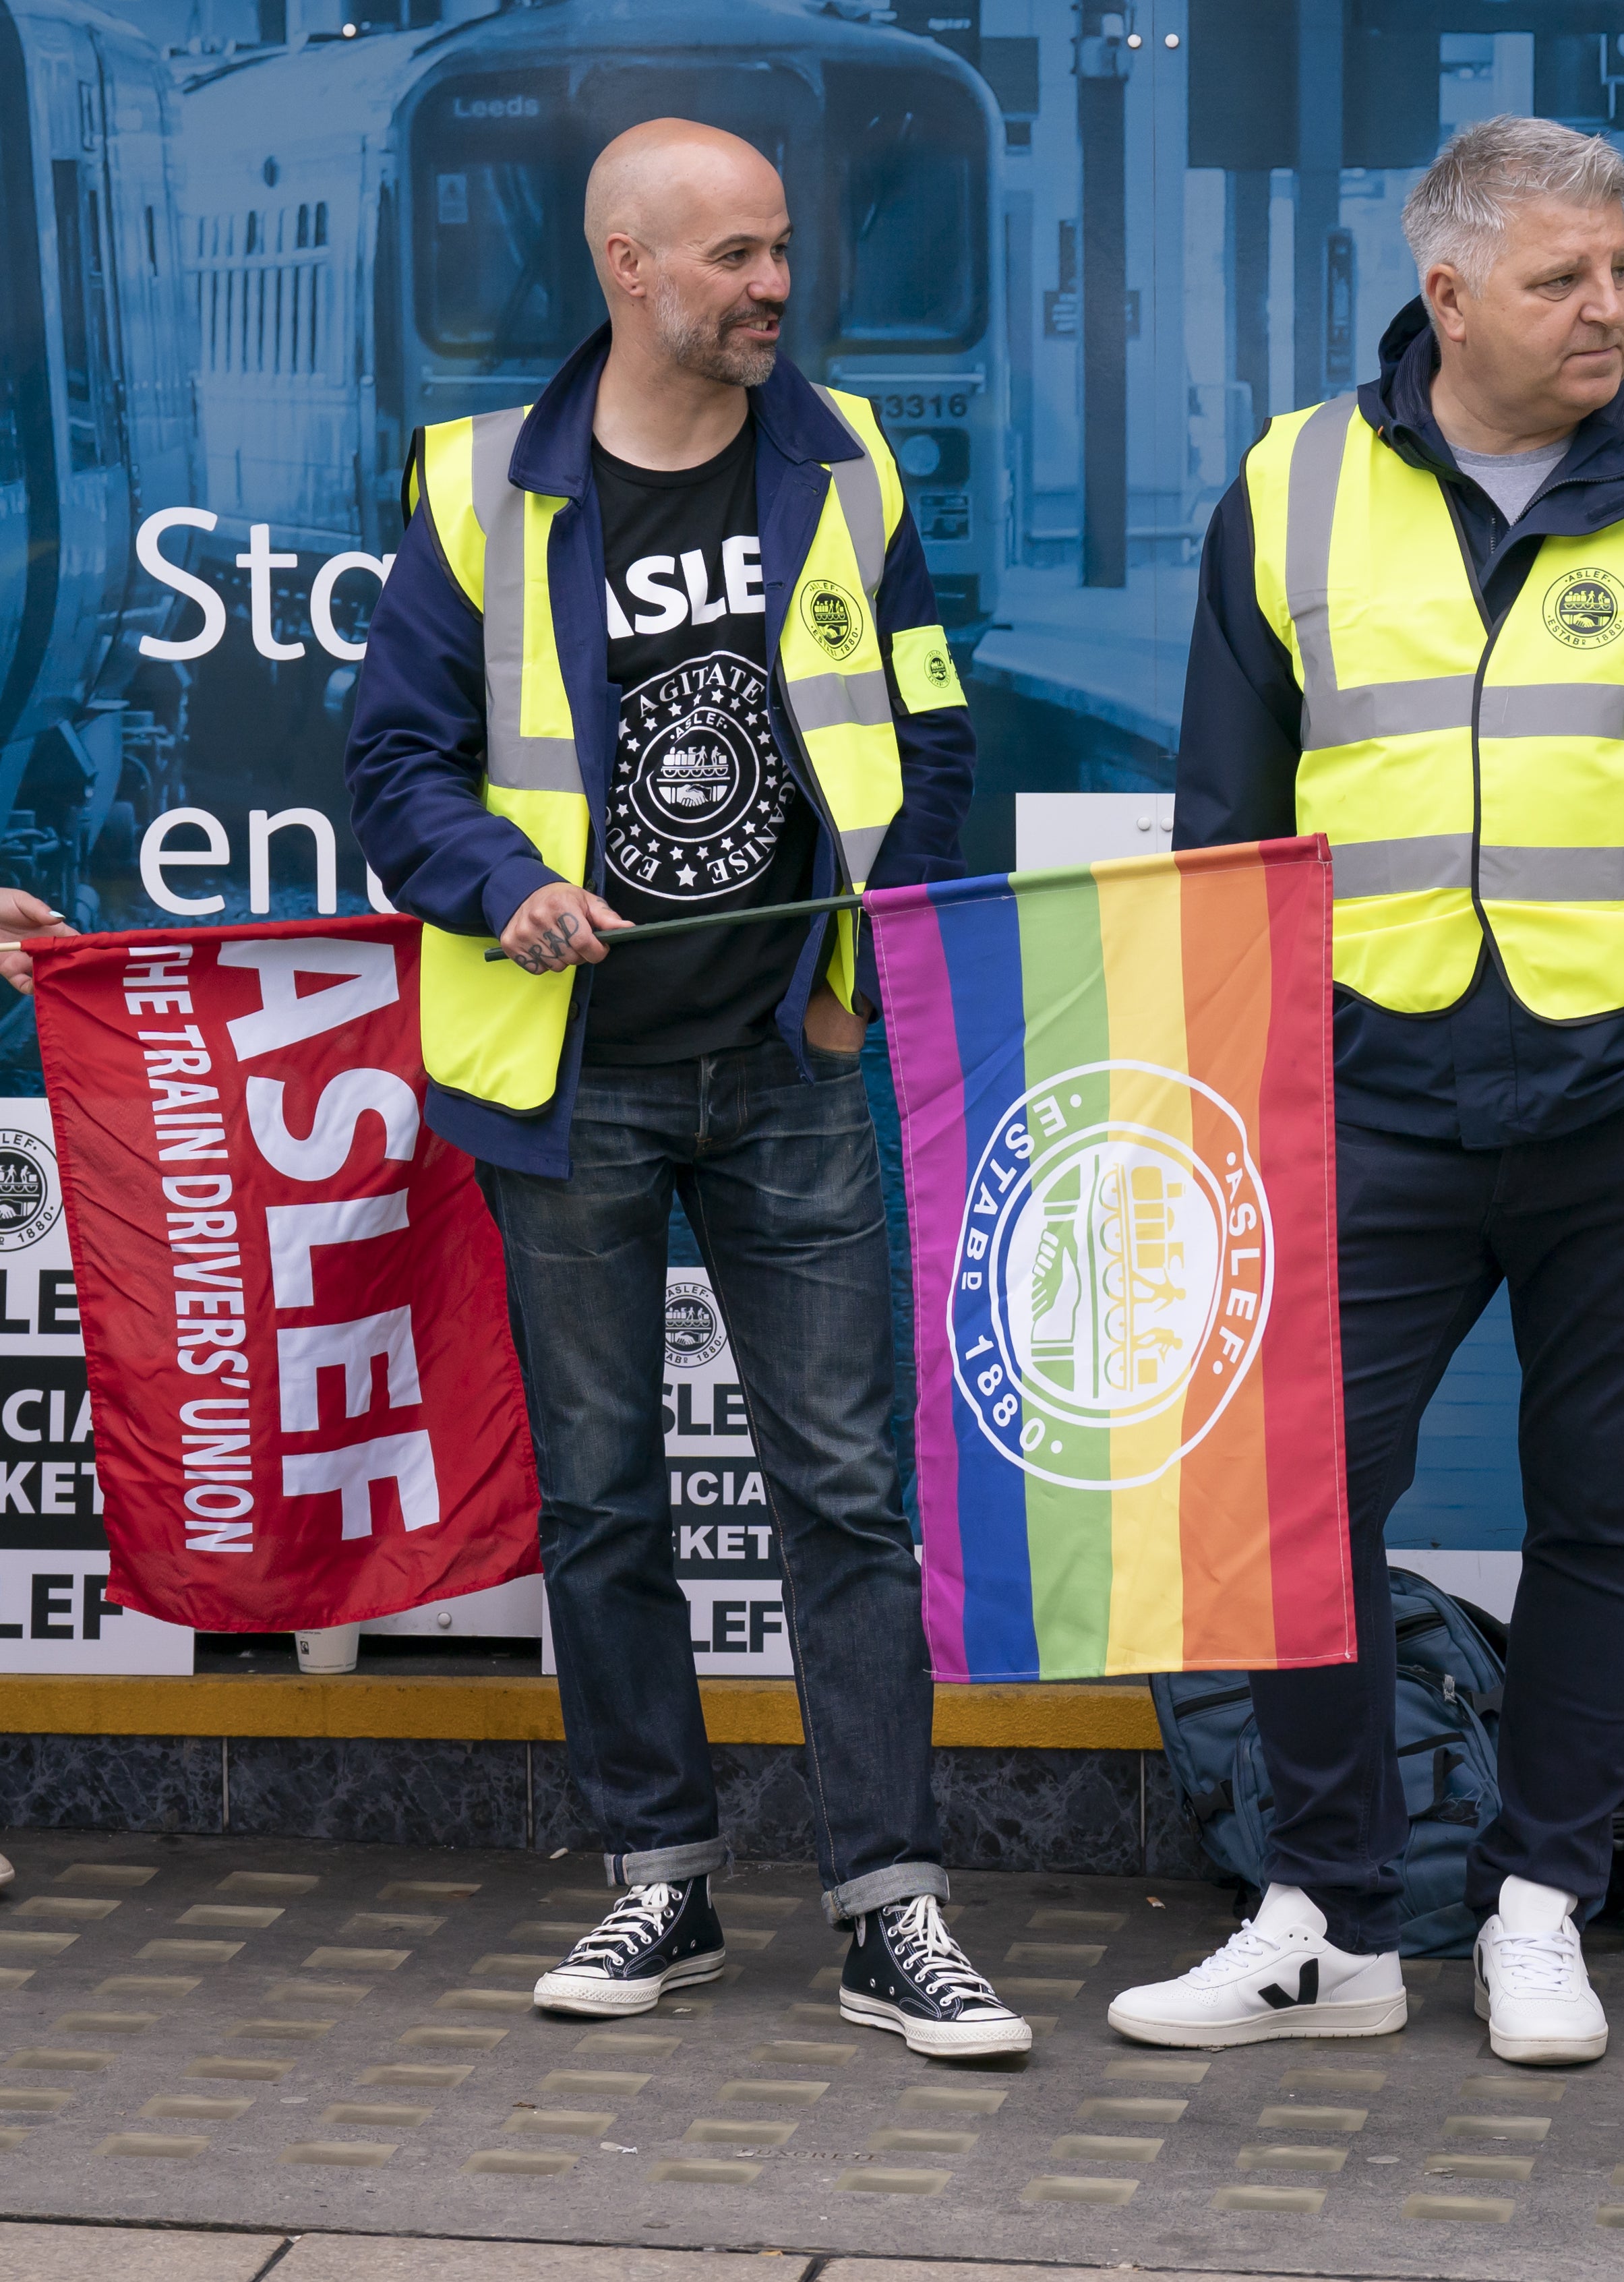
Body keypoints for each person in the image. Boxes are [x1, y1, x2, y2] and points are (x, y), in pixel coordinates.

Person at [1113, 115, 1624, 2064]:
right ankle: (1332, 1918)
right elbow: (1226, 826)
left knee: (1601, 1515)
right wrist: (1246, 1088)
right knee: (1301, 1510)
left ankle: (1543, 1903)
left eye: (1621, 272)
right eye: (1560, 280)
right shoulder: (1292, 488)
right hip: (1366, 1091)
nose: (1606, 310)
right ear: (1447, 294)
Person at [341, 121, 1019, 2055]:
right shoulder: (482, 490)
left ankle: (896, 1908)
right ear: (628, 268)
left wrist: (846, 977)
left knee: (847, 1500)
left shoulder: (845, 458)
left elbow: (933, 725)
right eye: (735, 257)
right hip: (574, 1088)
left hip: (789, 1071)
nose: (775, 287)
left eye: (784, 249)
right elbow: (394, 768)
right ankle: (663, 1882)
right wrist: (502, 887)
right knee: (606, 1499)